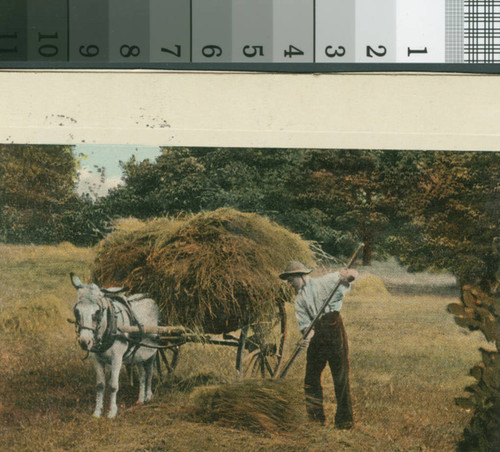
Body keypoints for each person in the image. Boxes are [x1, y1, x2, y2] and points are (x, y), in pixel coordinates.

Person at [279, 260, 357, 429]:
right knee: (311, 378)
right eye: (288, 280)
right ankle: (316, 420)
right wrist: (307, 336)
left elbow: (352, 275)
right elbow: (306, 326)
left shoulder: (325, 282)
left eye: (291, 279)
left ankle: (345, 421)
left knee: (340, 376)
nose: (289, 283)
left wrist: (348, 276)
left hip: (333, 327)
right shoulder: (299, 301)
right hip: (318, 334)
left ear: (301, 276)